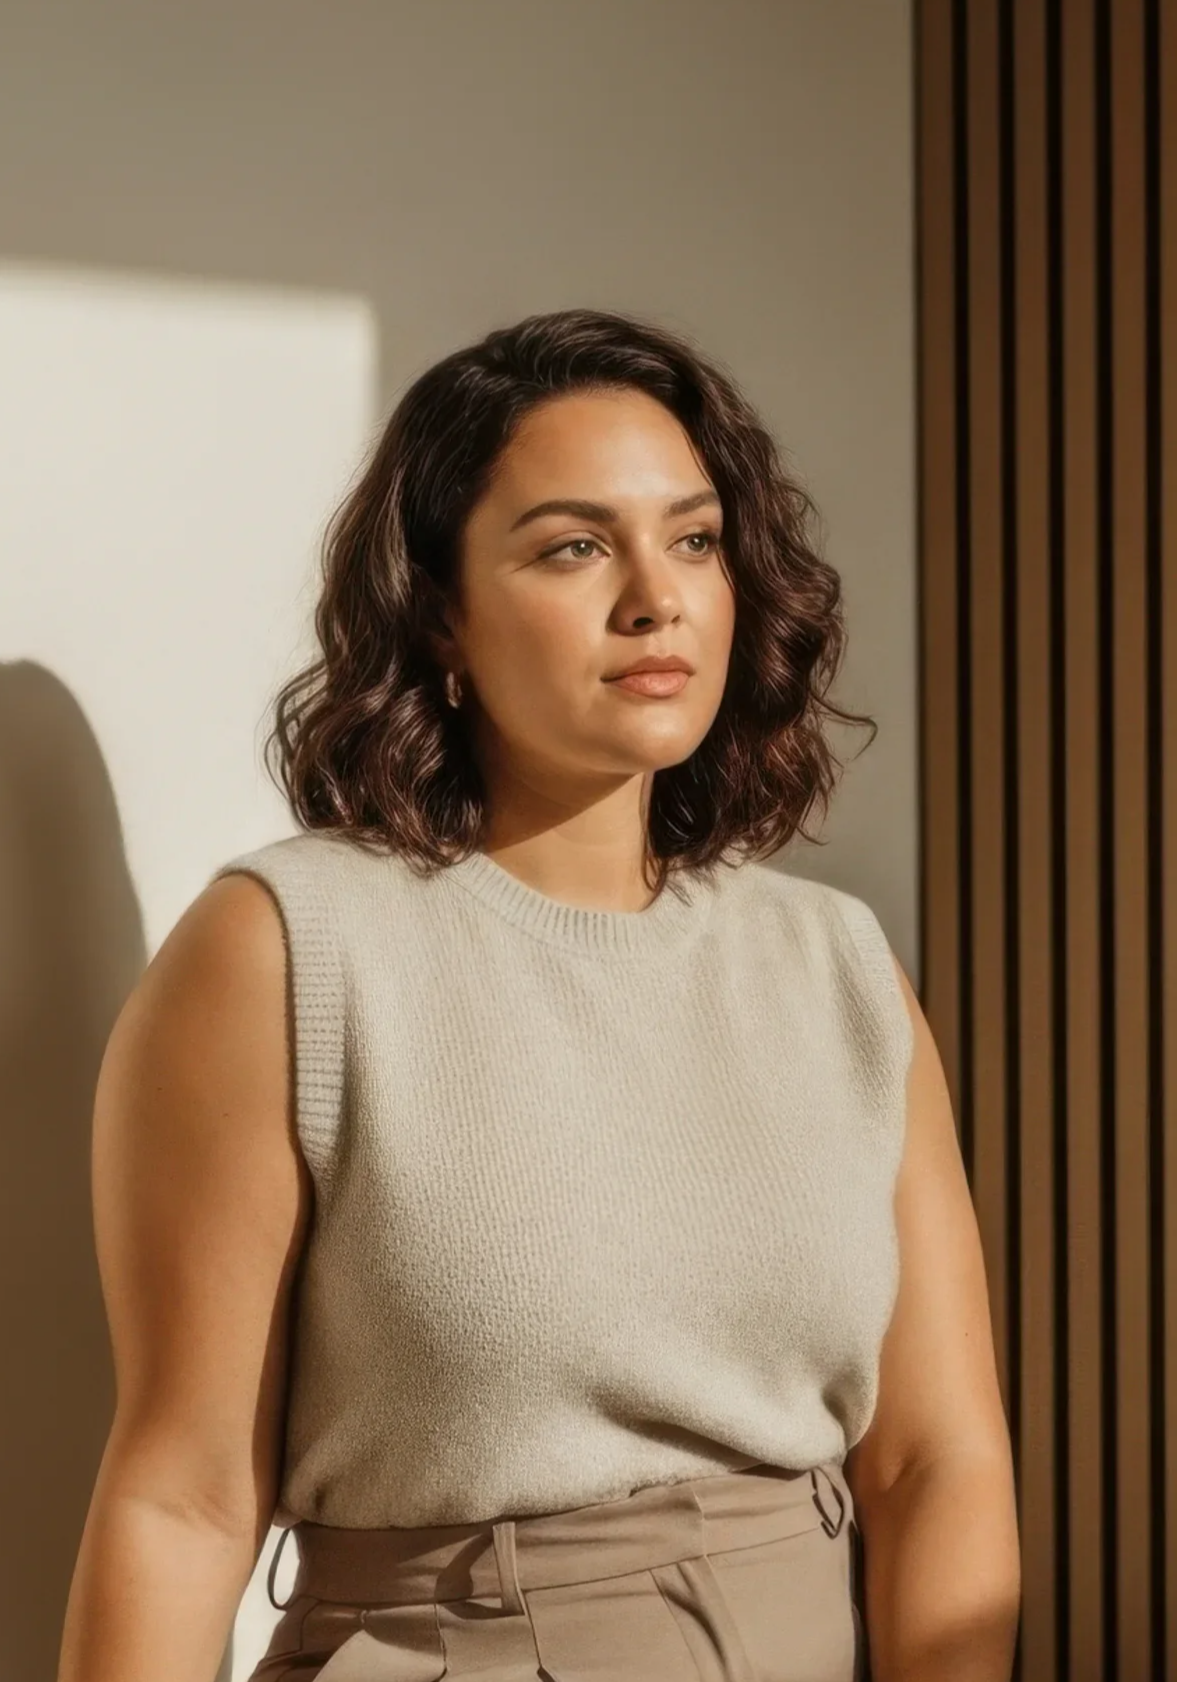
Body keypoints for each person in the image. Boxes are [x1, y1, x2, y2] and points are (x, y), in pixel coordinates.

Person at [58, 307, 1021, 1682]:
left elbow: (937, 1460)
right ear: (440, 612)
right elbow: (185, 1494)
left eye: (693, 539)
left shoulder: (835, 965)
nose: (656, 594)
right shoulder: (286, 949)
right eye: (576, 546)